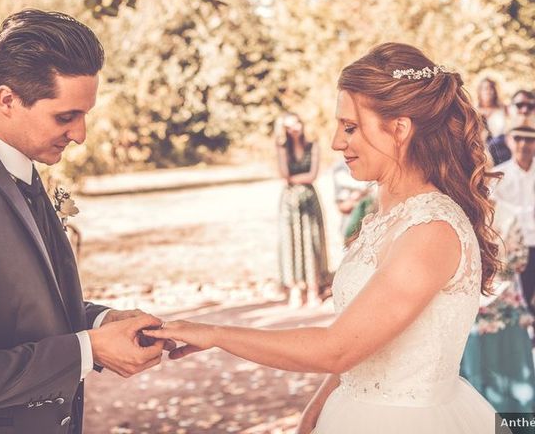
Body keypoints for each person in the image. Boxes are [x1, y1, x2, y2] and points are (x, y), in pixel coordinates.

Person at [144, 43, 506, 434]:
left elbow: (338, 348)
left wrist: (215, 333)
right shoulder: (387, 216)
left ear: (399, 129)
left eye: (350, 127)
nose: (336, 142)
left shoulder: (431, 231)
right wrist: (316, 411)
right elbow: (363, 337)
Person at [0, 9, 168, 434]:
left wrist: (99, 321)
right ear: (7, 100)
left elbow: (12, 312)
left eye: (84, 115)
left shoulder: (20, 169)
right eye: (65, 117)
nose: (80, 135)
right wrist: (86, 351)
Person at [460, 200, 535, 412]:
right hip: (501, 308)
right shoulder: (508, 212)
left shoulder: (455, 211)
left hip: (474, 309)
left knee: (475, 383)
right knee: (511, 382)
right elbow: (519, 262)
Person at [275, 112, 330, 306]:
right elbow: (284, 174)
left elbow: (312, 175)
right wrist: (281, 145)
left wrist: (293, 180)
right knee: (291, 242)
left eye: (296, 123)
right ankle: (296, 290)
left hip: (308, 198)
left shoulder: (312, 146)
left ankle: (314, 288)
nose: (294, 129)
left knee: (311, 240)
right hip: (289, 202)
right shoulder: (282, 148)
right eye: (289, 127)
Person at [492, 102, 535, 314]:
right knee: (521, 304)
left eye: (529, 139)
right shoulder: (498, 176)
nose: (523, 144)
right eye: (518, 138)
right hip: (513, 250)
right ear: (509, 140)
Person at [477, 78, 510, 165]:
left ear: (495, 90)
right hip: (482, 154)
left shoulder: (504, 109)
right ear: (479, 91)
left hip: (503, 152)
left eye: (491, 88)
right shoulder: (474, 111)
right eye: (485, 88)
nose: (488, 91)